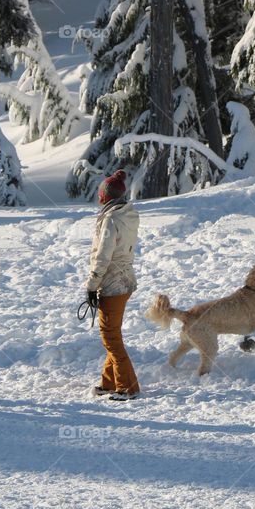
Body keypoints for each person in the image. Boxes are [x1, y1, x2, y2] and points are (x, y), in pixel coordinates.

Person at [86, 170, 141, 401]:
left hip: (113, 284)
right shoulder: (128, 215)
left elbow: (103, 257)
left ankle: (128, 388)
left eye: (101, 194)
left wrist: (91, 285)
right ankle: (109, 383)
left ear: (105, 197)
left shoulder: (110, 220)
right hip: (125, 281)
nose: (99, 198)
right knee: (112, 333)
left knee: (110, 338)